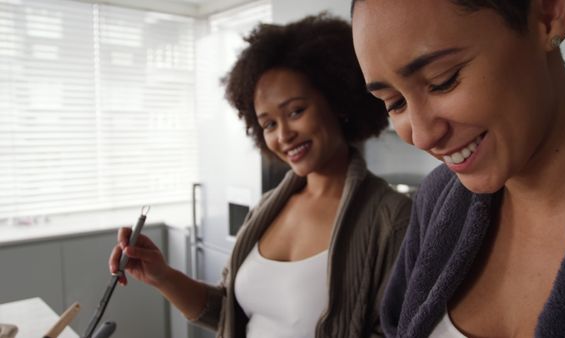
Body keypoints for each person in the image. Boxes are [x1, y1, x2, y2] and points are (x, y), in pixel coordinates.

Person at [109, 14, 412, 338]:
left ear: (337, 101)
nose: (283, 135)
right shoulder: (267, 208)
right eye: (268, 124)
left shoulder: (391, 219)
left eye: (296, 111)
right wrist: (162, 275)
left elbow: (396, 331)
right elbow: (227, 311)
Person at [350, 0, 565, 337]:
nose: (423, 135)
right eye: (395, 103)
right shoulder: (437, 200)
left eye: (443, 81)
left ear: (547, 15)